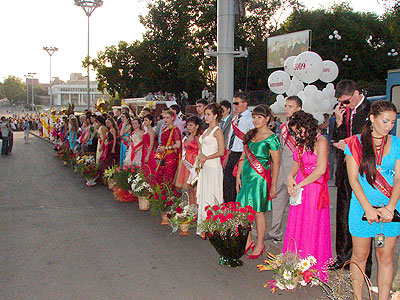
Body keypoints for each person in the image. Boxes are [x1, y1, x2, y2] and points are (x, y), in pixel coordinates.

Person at [344, 100, 400, 300]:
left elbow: (399, 178)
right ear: (372, 119)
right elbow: (353, 180)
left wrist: (391, 207)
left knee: (385, 257)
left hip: (390, 209)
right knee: (360, 256)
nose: (389, 126)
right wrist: (368, 208)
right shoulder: (354, 143)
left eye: (392, 122)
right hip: (362, 208)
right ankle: (358, 297)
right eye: (385, 121)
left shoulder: (397, 144)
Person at [284, 111, 332, 282]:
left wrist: (300, 184)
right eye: (296, 132)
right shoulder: (302, 142)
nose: (298, 134)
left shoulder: (322, 141)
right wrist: (290, 177)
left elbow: (321, 170)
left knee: (312, 225)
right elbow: (297, 162)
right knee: (298, 223)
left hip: (314, 188)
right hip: (300, 184)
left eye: (299, 131)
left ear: (308, 126)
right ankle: (295, 264)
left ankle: (312, 267)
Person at [331, 80, 372, 274]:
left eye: (346, 102)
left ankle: (364, 263)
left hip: (365, 171)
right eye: (341, 102)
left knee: (364, 216)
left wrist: (348, 143)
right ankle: (342, 257)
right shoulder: (343, 112)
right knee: (343, 215)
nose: (343, 106)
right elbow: (335, 139)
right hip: (345, 170)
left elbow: (369, 139)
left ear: (356, 93)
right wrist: (339, 122)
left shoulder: (371, 110)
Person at [236, 105, 281, 259]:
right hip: (246, 177)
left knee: (258, 212)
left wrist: (273, 185)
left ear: (267, 118)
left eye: (259, 117)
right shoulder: (250, 134)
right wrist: (238, 177)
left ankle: (260, 243)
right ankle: (248, 240)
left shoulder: (272, 138)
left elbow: (276, 163)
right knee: (244, 211)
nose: (256, 120)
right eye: (254, 117)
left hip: (260, 179)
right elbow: (243, 157)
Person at [268, 96, 302, 242]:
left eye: (290, 106)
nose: (286, 109)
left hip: (297, 172)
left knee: (296, 206)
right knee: (278, 203)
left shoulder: (302, 127)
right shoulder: (283, 127)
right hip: (282, 170)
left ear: (298, 109)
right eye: (286, 106)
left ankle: (295, 235)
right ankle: (275, 232)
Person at [196, 103, 225, 236]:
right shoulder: (206, 131)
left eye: (208, 114)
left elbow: (221, 151)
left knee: (213, 194)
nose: (206, 117)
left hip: (213, 166)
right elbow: (200, 146)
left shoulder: (217, 131)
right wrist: (200, 154)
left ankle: (214, 226)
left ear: (215, 115)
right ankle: (204, 226)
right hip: (205, 166)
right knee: (204, 193)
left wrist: (206, 157)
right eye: (205, 114)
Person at [223, 92, 254, 203]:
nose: (234, 106)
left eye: (237, 103)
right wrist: (227, 154)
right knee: (227, 184)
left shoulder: (250, 119)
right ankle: (229, 209)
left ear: (245, 103)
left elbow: (251, 140)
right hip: (232, 154)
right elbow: (232, 138)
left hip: (242, 154)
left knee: (238, 184)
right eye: (233, 103)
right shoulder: (235, 118)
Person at [175, 115, 201, 205]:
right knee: (189, 188)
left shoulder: (198, 137)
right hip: (186, 162)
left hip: (194, 164)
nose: (188, 127)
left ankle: (196, 207)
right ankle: (191, 207)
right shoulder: (187, 136)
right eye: (188, 125)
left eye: (191, 125)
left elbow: (201, 151)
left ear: (197, 126)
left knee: (194, 187)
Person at [155, 110, 182, 185]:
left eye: (168, 118)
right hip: (163, 155)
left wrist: (166, 148)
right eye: (164, 118)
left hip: (170, 156)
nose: (165, 120)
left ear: (173, 118)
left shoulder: (175, 130)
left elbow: (178, 144)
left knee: (168, 178)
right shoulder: (164, 128)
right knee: (160, 176)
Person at [99, 117, 120, 181]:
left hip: (112, 145)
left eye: (108, 123)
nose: (107, 124)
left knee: (108, 159)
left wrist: (113, 148)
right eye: (106, 123)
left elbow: (115, 139)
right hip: (109, 145)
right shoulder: (109, 129)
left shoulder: (113, 129)